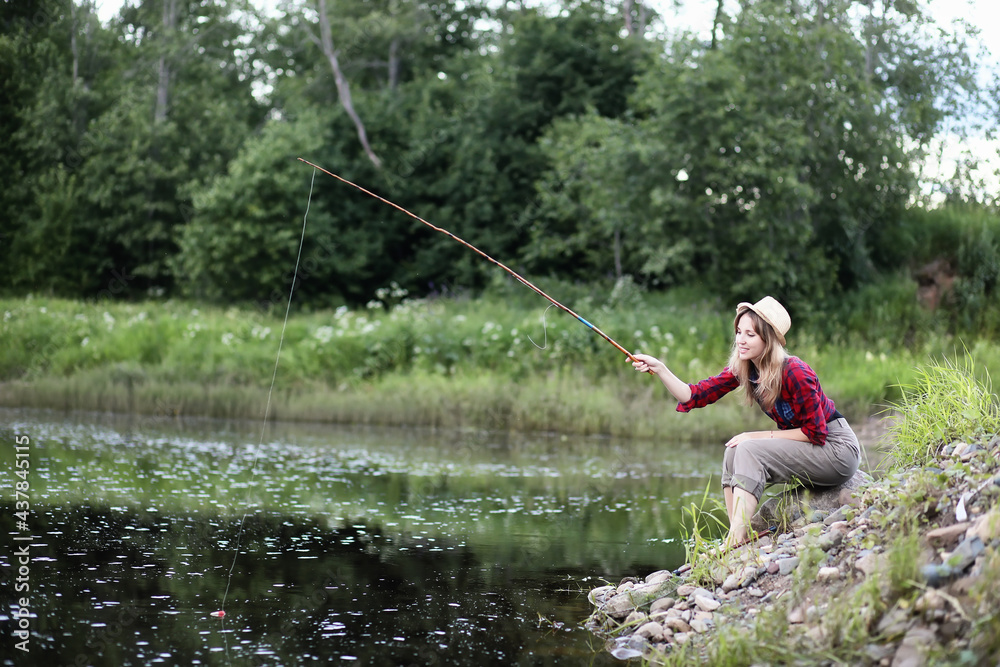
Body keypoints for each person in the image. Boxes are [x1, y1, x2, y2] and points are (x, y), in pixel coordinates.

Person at [631, 296, 861, 549]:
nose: (741, 339)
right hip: (814, 447)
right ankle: (736, 536)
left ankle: (734, 539)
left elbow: (815, 433)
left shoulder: (795, 371)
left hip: (836, 450)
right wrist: (661, 369)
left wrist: (755, 436)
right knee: (733, 451)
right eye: (739, 332)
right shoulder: (747, 369)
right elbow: (694, 395)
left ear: (768, 340)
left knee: (748, 447)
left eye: (750, 334)